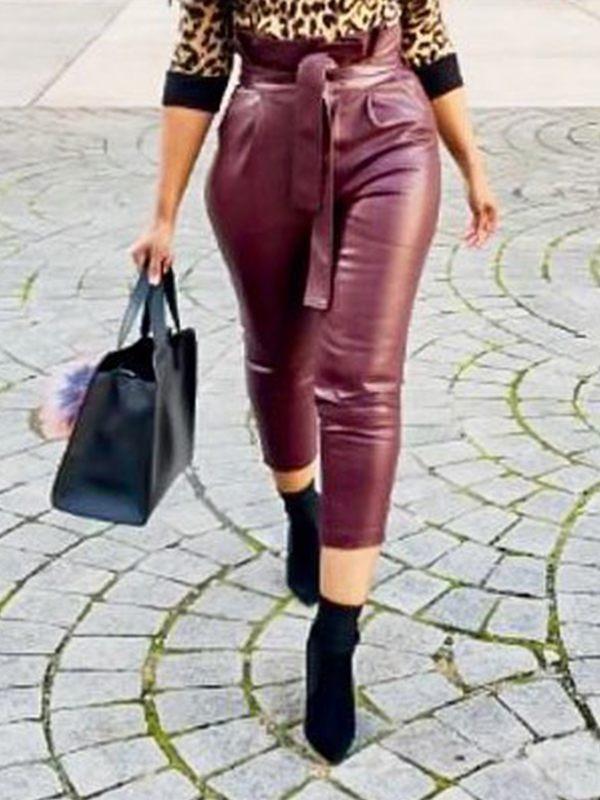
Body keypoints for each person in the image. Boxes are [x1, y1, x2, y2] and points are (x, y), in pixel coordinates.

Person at [129, 0, 499, 764]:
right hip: (263, 136)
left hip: (391, 136)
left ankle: (335, 635)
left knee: (362, 382)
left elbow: (427, 33)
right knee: (277, 358)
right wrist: (162, 213)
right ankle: (302, 509)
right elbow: (198, 64)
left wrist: (472, 163)